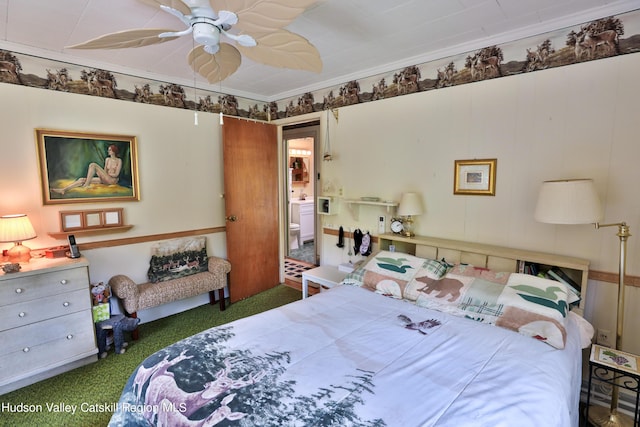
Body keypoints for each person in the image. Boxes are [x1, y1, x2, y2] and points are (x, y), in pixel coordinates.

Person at [52, 144, 122, 195]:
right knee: (82, 179)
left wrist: (108, 174)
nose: (108, 151)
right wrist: (103, 174)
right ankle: (63, 190)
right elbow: (104, 171)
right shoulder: (107, 159)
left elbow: (116, 174)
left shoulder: (119, 161)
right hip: (106, 178)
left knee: (93, 165)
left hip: (112, 180)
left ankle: (87, 184)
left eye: (110, 150)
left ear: (114, 151)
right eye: (108, 149)